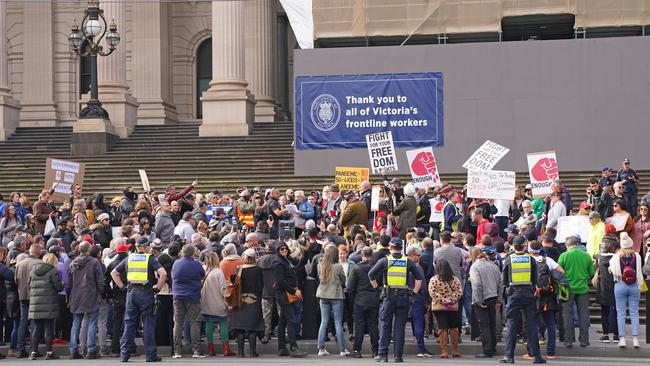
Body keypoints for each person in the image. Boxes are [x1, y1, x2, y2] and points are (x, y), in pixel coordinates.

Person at [111, 236, 167, 362]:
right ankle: (150, 355)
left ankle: (124, 354)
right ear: (146, 247)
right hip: (146, 293)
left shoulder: (129, 258)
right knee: (147, 324)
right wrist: (158, 288)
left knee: (129, 324)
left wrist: (122, 287)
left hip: (131, 293)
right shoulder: (150, 259)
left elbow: (114, 273)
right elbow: (163, 273)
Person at [368, 237, 423, 363]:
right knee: (399, 327)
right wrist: (413, 293)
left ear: (390, 247)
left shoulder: (384, 261)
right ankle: (398, 356)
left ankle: (383, 355)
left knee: (385, 325)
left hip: (388, 296)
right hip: (403, 297)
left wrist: (378, 289)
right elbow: (419, 279)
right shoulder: (408, 261)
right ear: (401, 248)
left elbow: (371, 274)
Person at [500, 235, 545, 364]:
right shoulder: (531, 259)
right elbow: (536, 279)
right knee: (531, 326)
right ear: (525, 245)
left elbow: (504, 280)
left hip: (514, 295)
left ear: (514, 246)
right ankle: (537, 356)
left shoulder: (509, 259)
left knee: (512, 326)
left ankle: (509, 356)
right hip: (529, 295)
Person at [527, 240, 564, 360]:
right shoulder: (547, 260)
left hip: (534, 296)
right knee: (551, 324)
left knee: (532, 324)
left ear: (530, 250)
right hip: (548, 297)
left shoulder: (528, 260)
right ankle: (551, 352)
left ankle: (532, 352)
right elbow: (561, 271)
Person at [68, 241, 104, 359]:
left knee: (76, 322)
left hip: (76, 295)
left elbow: (69, 283)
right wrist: (100, 292)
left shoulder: (73, 263)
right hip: (91, 294)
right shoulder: (94, 262)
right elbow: (100, 280)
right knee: (92, 322)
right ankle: (91, 349)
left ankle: (73, 350)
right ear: (88, 250)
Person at [557, 236, 594, 348]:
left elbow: (559, 272)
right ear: (577, 244)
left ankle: (568, 340)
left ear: (567, 245)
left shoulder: (564, 255)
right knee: (583, 314)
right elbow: (591, 273)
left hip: (565, 288)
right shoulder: (586, 256)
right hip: (582, 287)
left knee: (567, 314)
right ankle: (584, 340)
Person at [271, 241, 307, 358]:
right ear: (277, 250)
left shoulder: (285, 260)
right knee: (291, 319)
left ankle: (282, 348)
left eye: (285, 248)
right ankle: (293, 347)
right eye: (282, 249)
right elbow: (280, 281)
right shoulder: (278, 262)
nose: (284, 250)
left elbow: (299, 264)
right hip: (284, 294)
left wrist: (305, 251)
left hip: (285, 293)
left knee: (283, 321)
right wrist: (294, 291)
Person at [609, 232, 644, 348]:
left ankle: (622, 339)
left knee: (621, 313)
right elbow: (640, 271)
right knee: (634, 313)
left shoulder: (616, 256)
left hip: (620, 285)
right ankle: (635, 339)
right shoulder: (637, 256)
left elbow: (612, 271)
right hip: (634, 285)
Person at [171, 244, 206, 358]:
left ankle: (177, 351)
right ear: (192, 253)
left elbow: (173, 276)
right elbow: (202, 275)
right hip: (193, 297)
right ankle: (196, 350)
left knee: (178, 323)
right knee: (194, 323)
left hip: (178, 297)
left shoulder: (176, 263)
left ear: (182, 252)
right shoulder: (196, 264)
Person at [27, 253, 63, 360]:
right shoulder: (53, 271)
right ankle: (49, 352)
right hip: (49, 304)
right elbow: (59, 287)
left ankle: (33, 352)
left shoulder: (33, 271)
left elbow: (29, 286)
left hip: (35, 304)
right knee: (48, 329)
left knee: (36, 329)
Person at [469, 247, 503, 359]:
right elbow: (500, 283)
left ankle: (487, 350)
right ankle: (493, 347)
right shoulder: (493, 265)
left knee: (484, 325)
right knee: (492, 324)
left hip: (483, 299)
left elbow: (477, 284)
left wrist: (478, 300)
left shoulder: (475, 267)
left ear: (473, 257)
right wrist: (499, 299)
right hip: (493, 297)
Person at [315, 244, 348, 357]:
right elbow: (344, 280)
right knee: (338, 322)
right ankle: (342, 349)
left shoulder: (320, 265)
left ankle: (321, 348)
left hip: (323, 296)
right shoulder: (338, 267)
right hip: (336, 296)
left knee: (324, 322)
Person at [346, 246, 379, 358]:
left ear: (361, 255)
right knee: (374, 325)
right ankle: (375, 350)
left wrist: (353, 299)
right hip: (374, 299)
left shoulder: (356, 268)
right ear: (372, 254)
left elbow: (350, 287)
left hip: (360, 300)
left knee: (359, 325)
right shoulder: (376, 268)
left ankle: (357, 350)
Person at [230, 248, 264, 357]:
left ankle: (241, 352)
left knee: (240, 326)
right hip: (254, 299)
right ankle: (252, 352)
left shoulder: (239, 268)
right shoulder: (258, 269)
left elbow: (234, 282)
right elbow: (260, 285)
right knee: (252, 326)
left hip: (240, 299)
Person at [200, 252, 235, 357]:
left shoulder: (204, 270)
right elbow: (223, 289)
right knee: (223, 323)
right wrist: (227, 303)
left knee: (209, 324)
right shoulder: (218, 272)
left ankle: (210, 349)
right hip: (218, 302)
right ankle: (226, 349)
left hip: (206, 302)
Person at [428, 259, 463, 358]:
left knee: (442, 327)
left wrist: (443, 300)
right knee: (454, 327)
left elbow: (432, 292)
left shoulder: (434, 279)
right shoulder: (455, 279)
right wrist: (451, 300)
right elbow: (459, 291)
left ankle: (444, 351)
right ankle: (455, 350)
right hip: (452, 307)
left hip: (438, 307)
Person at [14, 243, 43, 358]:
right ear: (38, 252)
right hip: (35, 296)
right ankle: (33, 349)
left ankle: (21, 349)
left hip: (22, 296)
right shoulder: (40, 263)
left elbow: (15, 280)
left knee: (23, 322)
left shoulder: (19, 264)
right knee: (34, 322)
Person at [104, 243, 131, 357]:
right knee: (129, 321)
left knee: (116, 322)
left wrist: (109, 295)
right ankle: (129, 347)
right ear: (126, 252)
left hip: (116, 295)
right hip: (128, 293)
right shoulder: (129, 263)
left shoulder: (112, 264)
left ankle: (115, 348)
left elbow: (106, 281)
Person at [407, 246, 434, 357]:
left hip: (407, 297)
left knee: (415, 322)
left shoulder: (405, 266)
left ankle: (417, 341)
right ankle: (421, 349)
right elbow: (422, 286)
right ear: (413, 256)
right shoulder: (418, 268)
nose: (420, 257)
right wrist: (427, 301)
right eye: (418, 255)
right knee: (419, 323)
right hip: (418, 298)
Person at [595, 237, 619, 344]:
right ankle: (616, 335)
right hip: (615, 286)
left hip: (603, 287)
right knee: (616, 311)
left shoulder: (600, 258)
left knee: (604, 312)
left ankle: (605, 335)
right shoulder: (617, 258)